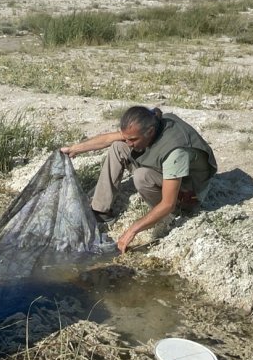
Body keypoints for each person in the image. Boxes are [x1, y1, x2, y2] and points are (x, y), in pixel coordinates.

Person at [61, 106, 217, 253]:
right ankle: (101, 211)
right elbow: (108, 139)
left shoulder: (175, 151)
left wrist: (133, 230)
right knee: (117, 147)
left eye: (133, 140)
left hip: (188, 190)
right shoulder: (148, 123)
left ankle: (169, 218)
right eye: (127, 138)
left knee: (142, 176)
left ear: (150, 131)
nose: (128, 143)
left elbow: (168, 203)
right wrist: (75, 149)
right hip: (164, 169)